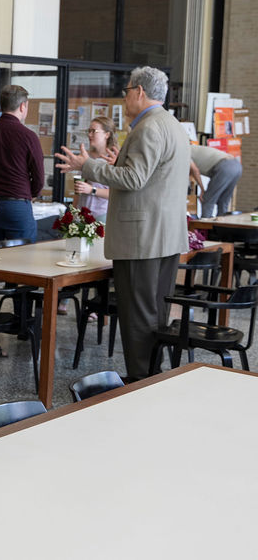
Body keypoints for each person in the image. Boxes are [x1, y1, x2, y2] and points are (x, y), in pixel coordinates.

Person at [56, 66, 189, 382]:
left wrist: (87, 165)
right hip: (166, 235)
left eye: (127, 90)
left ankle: (142, 380)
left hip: (143, 239)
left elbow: (134, 178)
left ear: (140, 92)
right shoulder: (171, 125)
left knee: (138, 317)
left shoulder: (148, 128)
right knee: (155, 314)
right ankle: (153, 377)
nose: (125, 96)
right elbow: (152, 177)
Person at [0, 84, 45, 245]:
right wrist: (32, 193)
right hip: (17, 205)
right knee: (23, 259)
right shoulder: (28, 136)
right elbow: (38, 176)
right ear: (22, 106)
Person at [73, 116, 119, 225]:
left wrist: (91, 190)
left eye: (94, 131)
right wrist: (73, 212)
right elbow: (78, 189)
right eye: (89, 131)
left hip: (102, 216)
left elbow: (117, 193)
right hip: (82, 215)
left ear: (107, 134)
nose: (90, 135)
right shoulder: (86, 156)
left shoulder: (114, 159)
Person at [189, 144, 242, 217]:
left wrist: (202, 190)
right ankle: (221, 226)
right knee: (223, 202)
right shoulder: (193, 148)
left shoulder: (184, 151)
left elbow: (195, 170)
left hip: (225, 166)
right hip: (237, 166)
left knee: (207, 200)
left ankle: (205, 227)